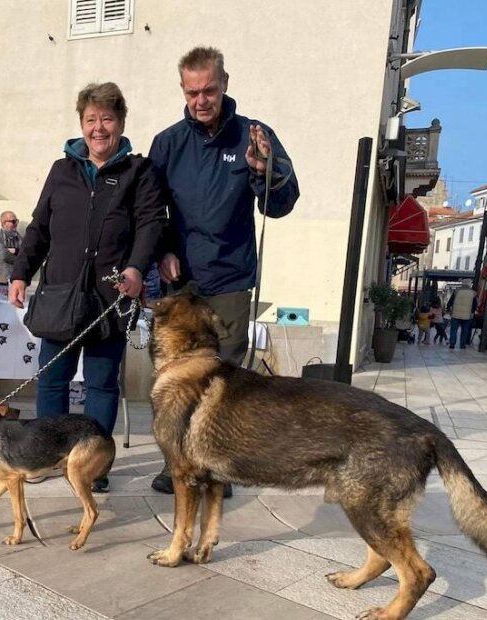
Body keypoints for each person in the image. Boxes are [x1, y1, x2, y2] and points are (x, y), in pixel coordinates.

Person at [148, 46, 299, 495]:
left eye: (209, 90)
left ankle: (217, 467)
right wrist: (163, 250)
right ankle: (174, 462)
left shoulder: (254, 136)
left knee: (224, 379)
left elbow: (282, 204)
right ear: (183, 91)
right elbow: (151, 210)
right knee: (173, 377)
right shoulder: (168, 142)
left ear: (225, 84)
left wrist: (265, 171)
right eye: (193, 92)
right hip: (180, 281)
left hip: (230, 277)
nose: (201, 100)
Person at [9, 82, 166, 493]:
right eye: (91, 119)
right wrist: (20, 272)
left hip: (108, 298)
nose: (99, 128)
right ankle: (46, 456)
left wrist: (135, 269)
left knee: (100, 382)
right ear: (81, 124)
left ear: (121, 123)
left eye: (107, 119)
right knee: (54, 380)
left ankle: (94, 465)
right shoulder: (62, 171)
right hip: (60, 293)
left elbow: (151, 225)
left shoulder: (139, 172)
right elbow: (39, 227)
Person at [0, 210, 21, 282]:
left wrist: (15, 251)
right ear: (4, 223)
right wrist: (19, 257)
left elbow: (25, 254)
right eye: (13, 221)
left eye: (16, 221)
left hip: (15, 280)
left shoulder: (19, 238)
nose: (16, 223)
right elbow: (4, 255)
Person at [447, 280, 477, 349]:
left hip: (455, 314)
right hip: (467, 315)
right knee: (465, 330)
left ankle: (452, 344)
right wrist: (472, 313)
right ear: (470, 285)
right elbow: (474, 305)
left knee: (454, 329)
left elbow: (450, 302)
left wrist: (449, 310)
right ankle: (462, 345)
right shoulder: (473, 293)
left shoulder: (456, 291)